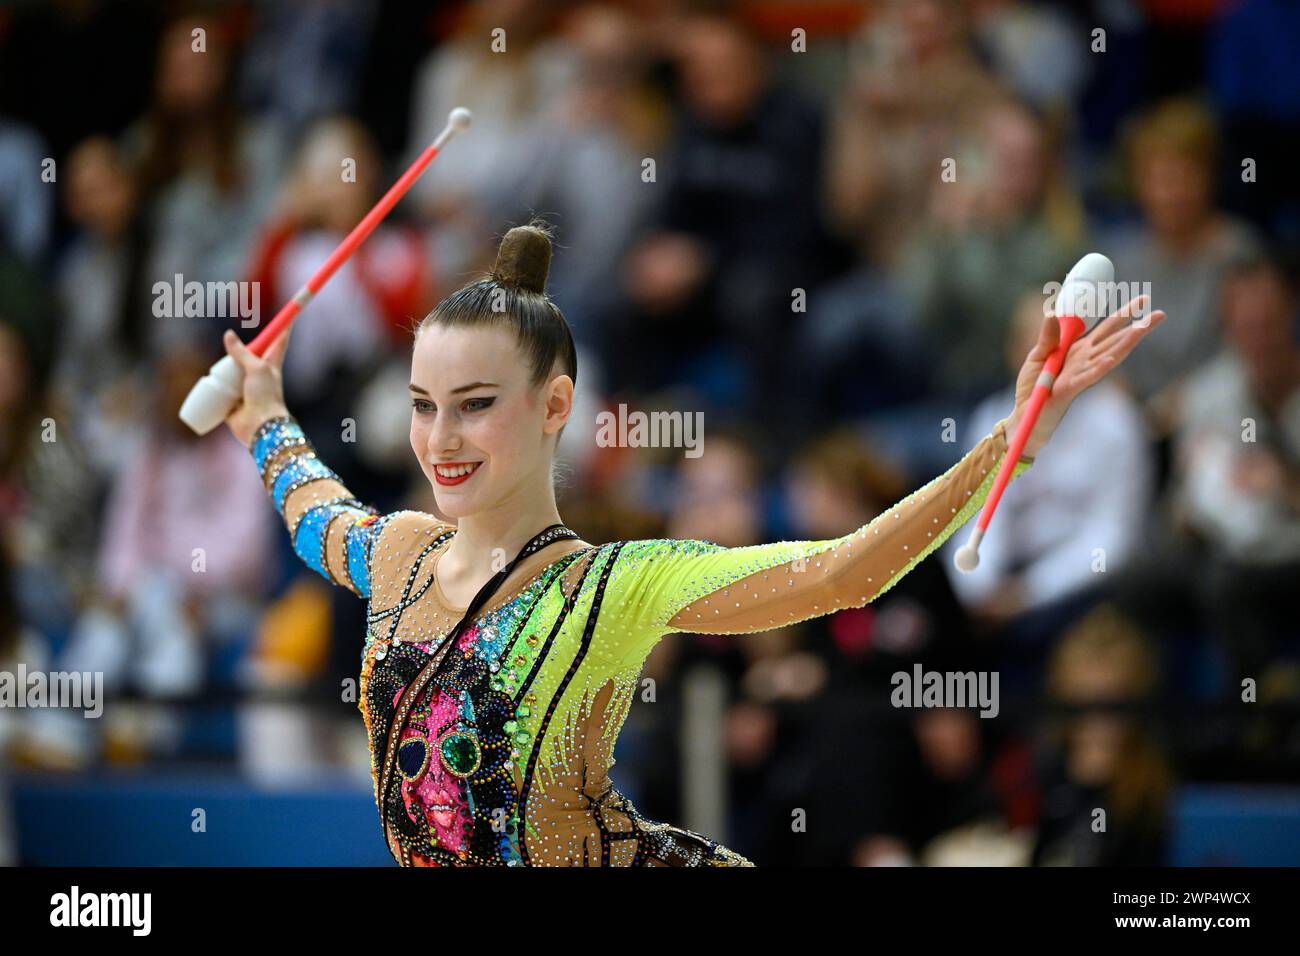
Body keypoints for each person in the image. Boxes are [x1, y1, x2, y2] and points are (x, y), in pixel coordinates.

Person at [217, 221, 1166, 867]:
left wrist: (1016, 438)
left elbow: (845, 569)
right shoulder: (400, 555)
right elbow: (313, 509)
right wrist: (264, 415)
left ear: (555, 407)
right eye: (424, 407)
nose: (441, 441)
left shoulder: (614, 586)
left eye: (475, 407)